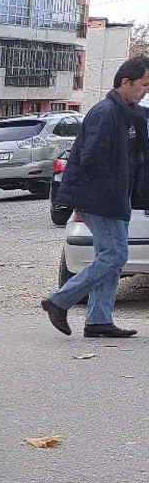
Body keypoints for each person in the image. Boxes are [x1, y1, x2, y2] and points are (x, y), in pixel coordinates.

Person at [42, 56, 149, 339]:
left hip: (115, 198)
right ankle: (59, 301)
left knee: (109, 257)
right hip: (100, 198)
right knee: (116, 254)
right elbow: (92, 157)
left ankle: (99, 320)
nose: (145, 91)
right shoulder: (105, 113)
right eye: (144, 84)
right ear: (125, 82)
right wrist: (110, 191)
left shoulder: (127, 113)